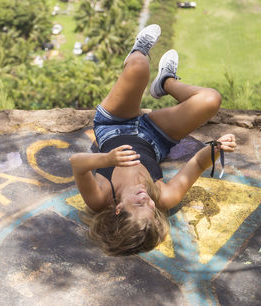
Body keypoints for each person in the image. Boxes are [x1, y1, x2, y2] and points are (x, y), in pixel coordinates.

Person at [69, 24, 236, 255]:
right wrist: (217, 148)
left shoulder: (100, 198)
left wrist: (107, 158)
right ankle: (166, 82)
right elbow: (197, 164)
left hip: (114, 125)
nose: (146, 199)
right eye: (150, 207)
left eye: (138, 204)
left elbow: (77, 164)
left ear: (118, 209)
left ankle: (137, 50)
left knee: (139, 67)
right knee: (210, 100)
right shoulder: (163, 197)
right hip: (156, 137)